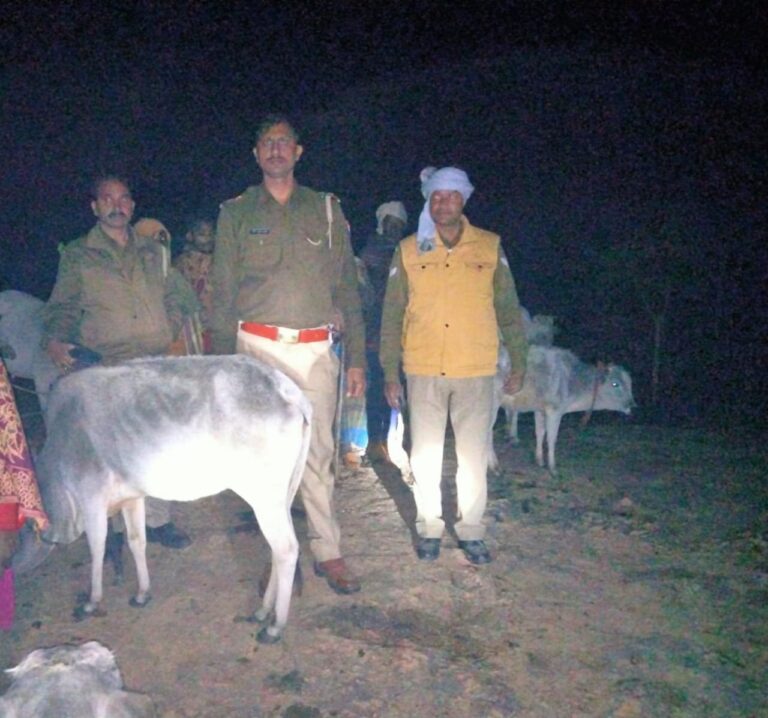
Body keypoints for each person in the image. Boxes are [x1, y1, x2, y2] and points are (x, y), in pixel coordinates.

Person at [211, 115, 366, 594]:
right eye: (266, 144)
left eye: (284, 143)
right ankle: (281, 557)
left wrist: (357, 356)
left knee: (319, 452)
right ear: (256, 155)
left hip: (316, 350)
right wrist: (221, 366)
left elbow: (346, 286)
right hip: (256, 351)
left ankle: (328, 550)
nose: (275, 150)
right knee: (265, 460)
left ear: (298, 152)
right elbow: (222, 291)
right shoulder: (235, 212)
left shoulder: (325, 209)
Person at [379, 167, 528, 565]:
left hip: (475, 369)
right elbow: (392, 315)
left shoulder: (489, 246)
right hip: (423, 367)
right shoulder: (409, 249)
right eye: (437, 196)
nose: (443, 203)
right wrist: (390, 373)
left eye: (452, 196)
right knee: (425, 455)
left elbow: (509, 309)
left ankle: (471, 530)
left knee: (473, 457)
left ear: (464, 200)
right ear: (429, 200)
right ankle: (429, 527)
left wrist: (519, 360)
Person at [42, 176, 193, 549]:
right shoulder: (78, 254)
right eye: (107, 199)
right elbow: (61, 307)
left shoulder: (153, 252)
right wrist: (55, 341)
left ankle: (157, 522)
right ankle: (111, 530)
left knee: (159, 443)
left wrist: (168, 323)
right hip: (105, 367)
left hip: (154, 363)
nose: (116, 205)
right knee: (111, 452)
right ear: (94, 206)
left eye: (123, 198)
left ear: (132, 205)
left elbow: (181, 295)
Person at [359, 201, 408, 460]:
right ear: (382, 224)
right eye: (391, 224)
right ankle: (375, 442)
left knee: (401, 388)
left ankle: (395, 440)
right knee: (378, 388)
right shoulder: (372, 252)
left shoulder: (407, 252)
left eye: (399, 225)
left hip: (402, 332)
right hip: (375, 331)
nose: (395, 229)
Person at [173, 217, 215, 353]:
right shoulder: (181, 263)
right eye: (202, 234)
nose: (207, 239)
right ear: (190, 236)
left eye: (211, 234)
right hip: (192, 326)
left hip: (216, 324)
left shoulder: (220, 260)